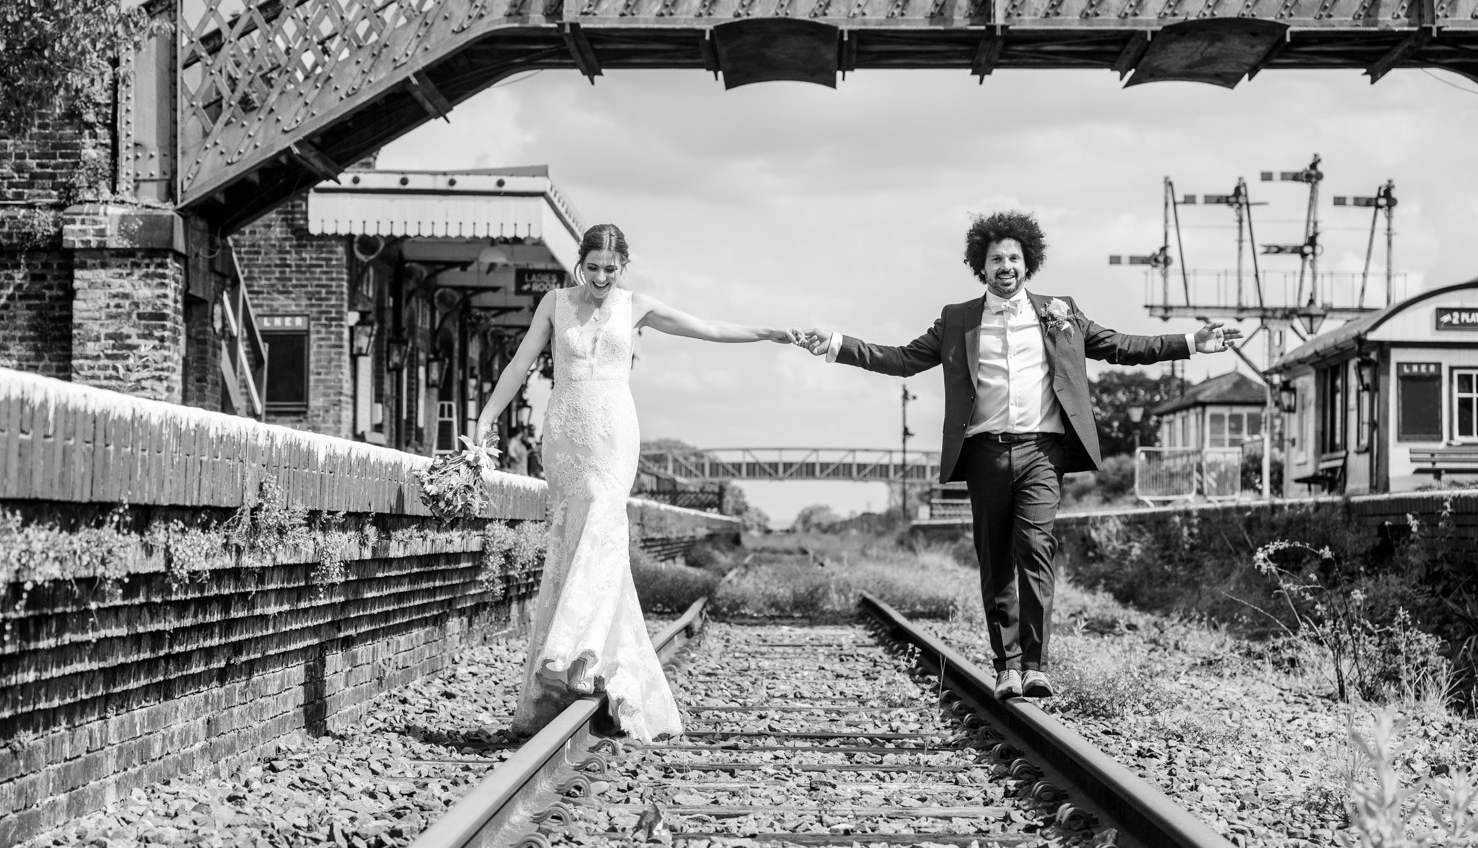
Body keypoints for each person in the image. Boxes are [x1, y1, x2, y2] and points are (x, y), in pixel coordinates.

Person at [801, 211, 1239, 701]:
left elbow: (1120, 346)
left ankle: (1035, 666)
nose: (1005, 265)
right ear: (980, 267)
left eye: (1013, 257)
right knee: (995, 561)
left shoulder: (1061, 312)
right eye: (995, 259)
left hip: (1042, 453)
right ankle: (1006, 666)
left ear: (1028, 263)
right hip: (985, 454)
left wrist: (1190, 342)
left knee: (1035, 551)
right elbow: (902, 359)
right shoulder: (957, 320)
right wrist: (838, 345)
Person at [475, 223, 802, 740]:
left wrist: (769, 332)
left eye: (612, 269)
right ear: (580, 262)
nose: (602, 277)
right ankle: (577, 656)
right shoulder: (553, 304)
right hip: (564, 435)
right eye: (594, 267)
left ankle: (574, 654)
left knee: (603, 527)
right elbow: (519, 365)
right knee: (571, 536)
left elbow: (707, 328)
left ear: (623, 266)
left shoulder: (637, 305)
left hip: (613, 434)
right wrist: (487, 417)